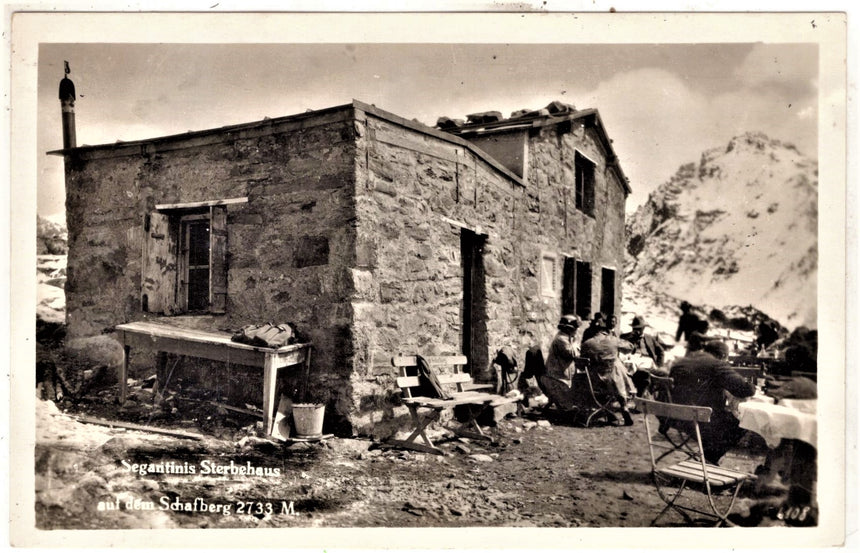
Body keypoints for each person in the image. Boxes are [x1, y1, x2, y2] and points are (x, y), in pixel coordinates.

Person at [668, 339, 755, 465]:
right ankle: (708, 461)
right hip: (697, 419)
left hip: (673, 416)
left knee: (720, 421)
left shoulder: (683, 360)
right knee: (743, 421)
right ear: (723, 356)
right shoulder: (717, 364)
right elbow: (746, 390)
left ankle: (706, 460)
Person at [580, 325, 636, 426]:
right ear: (605, 332)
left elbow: (580, 362)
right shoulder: (612, 340)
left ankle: (606, 411)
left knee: (613, 368)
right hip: (613, 383)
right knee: (616, 368)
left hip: (594, 383)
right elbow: (630, 347)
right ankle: (624, 407)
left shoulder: (587, 343)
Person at [538, 315, 583, 411]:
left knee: (572, 405)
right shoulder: (561, 339)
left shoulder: (568, 338)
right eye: (574, 328)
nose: (576, 331)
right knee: (568, 409)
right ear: (567, 328)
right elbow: (573, 353)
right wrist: (575, 343)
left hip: (562, 377)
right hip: (556, 378)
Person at [619, 315, 667, 396]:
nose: (636, 331)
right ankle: (640, 396)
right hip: (634, 366)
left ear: (643, 328)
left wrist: (660, 365)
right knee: (644, 375)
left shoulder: (650, 338)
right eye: (634, 329)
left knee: (664, 374)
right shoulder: (625, 337)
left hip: (649, 364)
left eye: (639, 329)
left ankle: (659, 399)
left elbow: (661, 351)